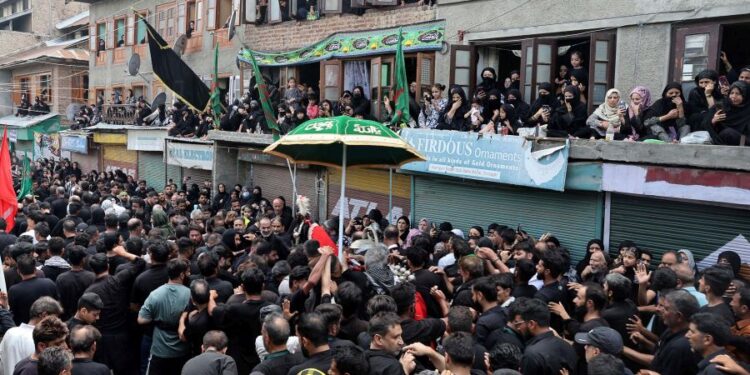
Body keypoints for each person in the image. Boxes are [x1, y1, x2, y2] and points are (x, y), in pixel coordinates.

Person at [623, 289, 701, 375]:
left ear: (679, 316)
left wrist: (621, 348)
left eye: (666, 309)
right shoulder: (671, 330)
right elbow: (661, 354)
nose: (661, 310)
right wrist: (643, 341)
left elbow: (660, 363)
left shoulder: (680, 347)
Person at [209, 267, 270, 374]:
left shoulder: (234, 310)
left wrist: (210, 296)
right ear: (263, 286)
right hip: (264, 362)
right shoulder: (270, 308)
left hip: (239, 364)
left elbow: (212, 311)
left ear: (243, 287)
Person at [138, 258, 192, 375]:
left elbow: (141, 320)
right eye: (187, 272)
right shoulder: (190, 294)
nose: (189, 275)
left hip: (159, 349)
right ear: (182, 275)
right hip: (182, 349)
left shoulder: (155, 294)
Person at [0, 297, 63, 375]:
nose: (56, 322)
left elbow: (1, 362)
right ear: (44, 315)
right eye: (55, 318)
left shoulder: (10, 333)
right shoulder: (39, 340)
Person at [517, 298, 578, 374]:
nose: (519, 328)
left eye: (521, 323)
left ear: (531, 324)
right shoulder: (567, 346)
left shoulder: (531, 355)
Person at [9, 253, 60, 325]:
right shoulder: (49, 283)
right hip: (49, 326)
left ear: (18, 271)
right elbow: (57, 305)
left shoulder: (14, 290)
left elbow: (13, 313)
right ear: (35, 269)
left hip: (26, 328)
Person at [702, 81, 750, 145]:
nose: (733, 96)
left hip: (744, 142)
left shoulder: (748, 109)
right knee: (727, 133)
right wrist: (713, 121)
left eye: (738, 94)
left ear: (745, 95)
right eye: (731, 93)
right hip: (722, 142)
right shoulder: (721, 105)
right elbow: (705, 124)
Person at [55, 246, 95, 321]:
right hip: (86, 317)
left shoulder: (61, 278)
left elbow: (59, 301)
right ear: (83, 260)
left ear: (69, 259)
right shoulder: (91, 277)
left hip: (67, 318)